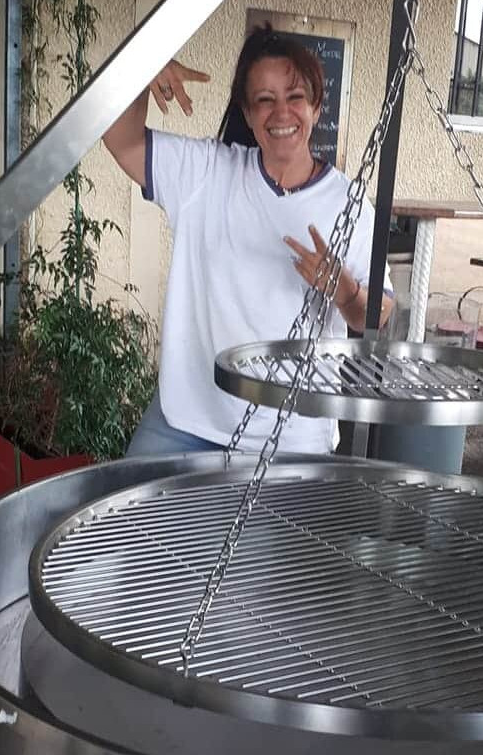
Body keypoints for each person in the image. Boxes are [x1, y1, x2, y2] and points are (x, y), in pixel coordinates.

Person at [103, 25, 393, 457]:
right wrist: (142, 71)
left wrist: (343, 290)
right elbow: (121, 141)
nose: (281, 113)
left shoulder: (347, 203)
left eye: (295, 96)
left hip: (292, 436)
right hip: (187, 419)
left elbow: (379, 313)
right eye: (265, 100)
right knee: (125, 504)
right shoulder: (206, 172)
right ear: (248, 111)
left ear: (316, 106)